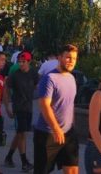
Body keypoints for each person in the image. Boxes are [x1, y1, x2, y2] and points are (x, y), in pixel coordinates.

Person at [34, 44, 82, 174]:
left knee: (72, 170)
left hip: (68, 133)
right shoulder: (49, 78)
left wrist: (72, 126)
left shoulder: (72, 78)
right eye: (68, 57)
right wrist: (56, 129)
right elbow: (44, 105)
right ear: (59, 57)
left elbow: (69, 105)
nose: (71, 61)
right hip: (47, 133)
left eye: (74, 58)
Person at [5, 50, 36, 171]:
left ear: (29, 62)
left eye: (23, 62)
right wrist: (7, 106)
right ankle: (24, 162)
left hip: (28, 107)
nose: (21, 64)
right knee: (21, 133)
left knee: (20, 133)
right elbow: (6, 90)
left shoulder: (33, 73)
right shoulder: (15, 75)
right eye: (19, 62)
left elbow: (38, 86)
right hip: (18, 108)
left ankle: (9, 156)